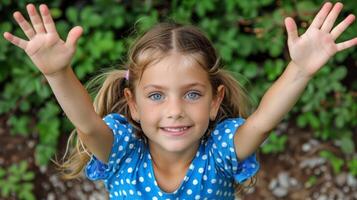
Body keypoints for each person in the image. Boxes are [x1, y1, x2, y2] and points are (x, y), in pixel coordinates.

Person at [3, 2, 356, 199]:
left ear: (215, 101)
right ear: (133, 105)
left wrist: (300, 69)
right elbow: (86, 124)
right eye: (156, 95)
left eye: (192, 94)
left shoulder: (219, 149)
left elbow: (263, 122)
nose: (175, 111)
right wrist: (57, 73)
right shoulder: (123, 148)